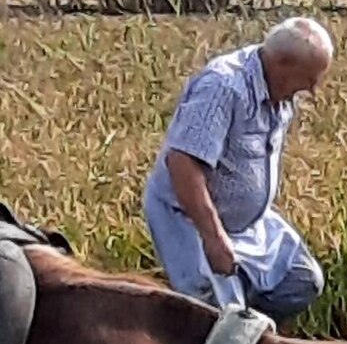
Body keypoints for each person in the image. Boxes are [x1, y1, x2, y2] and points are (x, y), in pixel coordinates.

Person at [142, 17, 332, 323]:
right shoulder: (223, 86)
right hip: (191, 218)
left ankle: (247, 334)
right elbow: (183, 164)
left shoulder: (280, 90)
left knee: (301, 281)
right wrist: (214, 239)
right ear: (282, 63)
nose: (312, 90)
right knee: (217, 315)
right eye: (309, 79)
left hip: (249, 227)